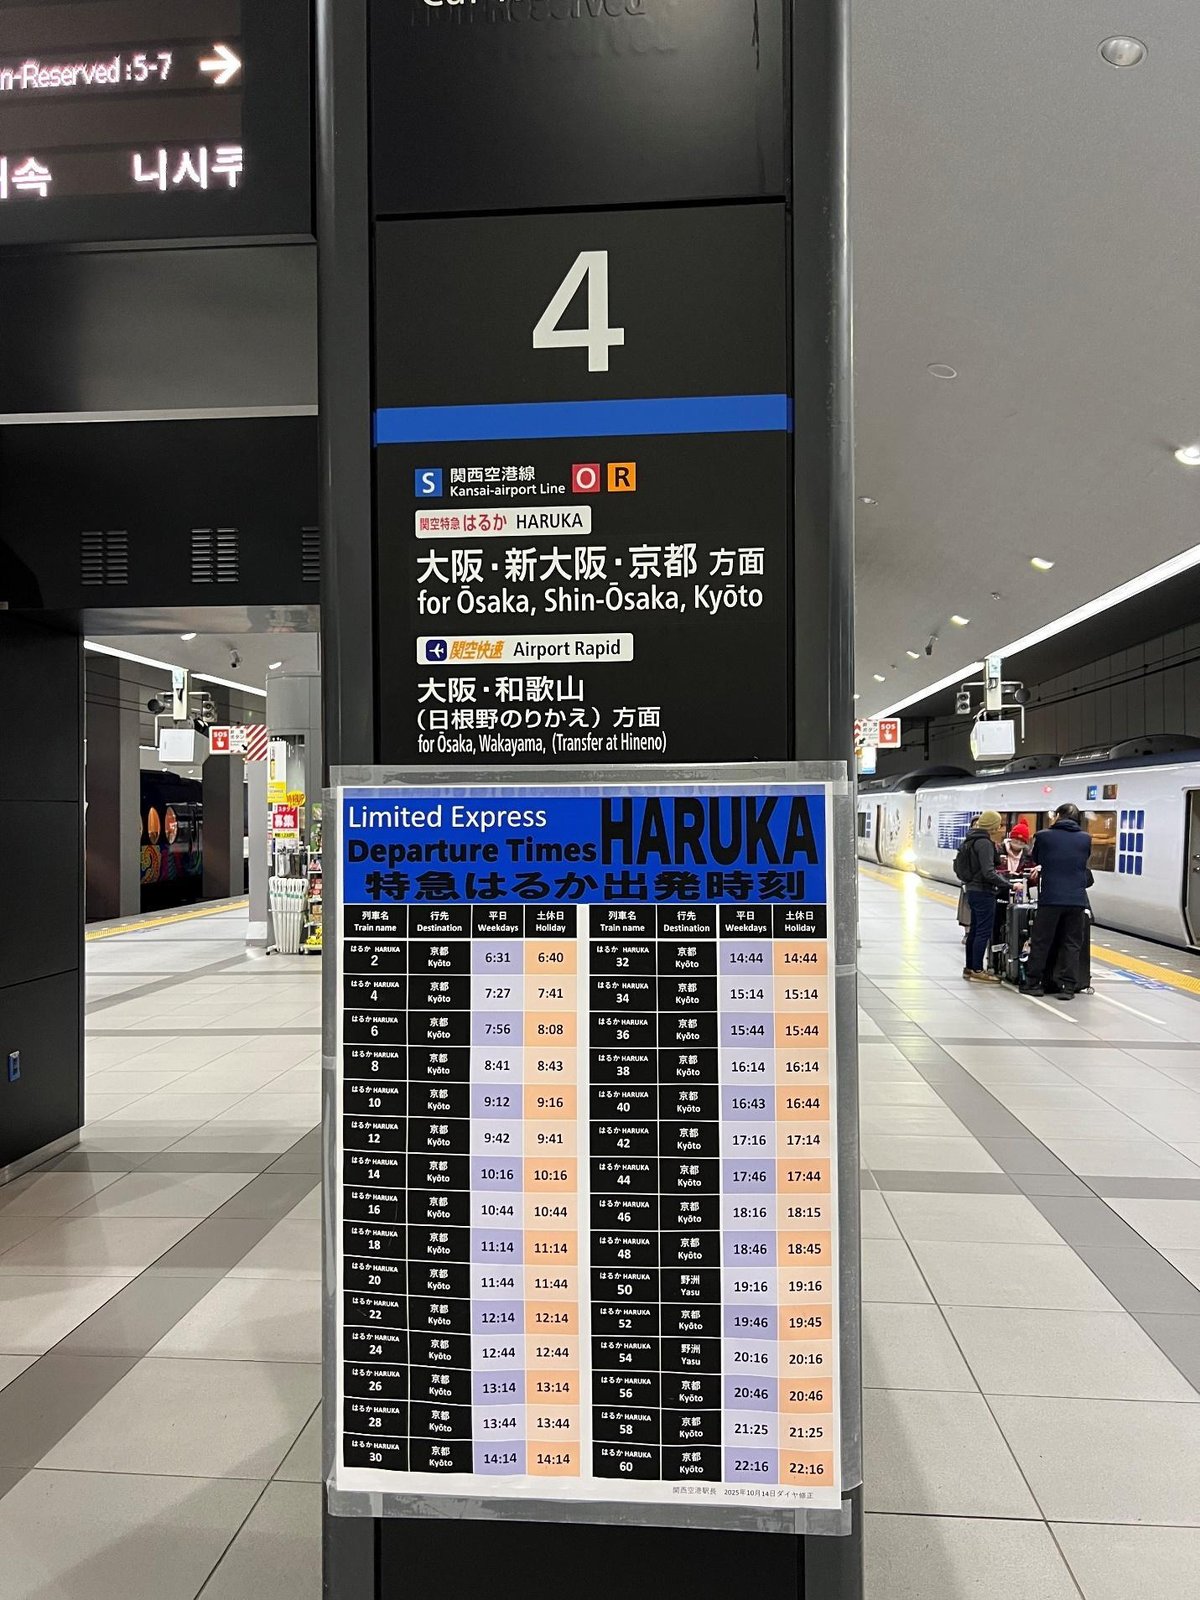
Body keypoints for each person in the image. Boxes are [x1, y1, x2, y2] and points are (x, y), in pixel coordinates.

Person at [1023, 802, 1093, 1000]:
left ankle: (1033, 983)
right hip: (1077, 900)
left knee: (1042, 941)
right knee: (1072, 943)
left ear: (1059, 816)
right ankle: (1068, 987)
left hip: (1051, 898)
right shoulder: (1085, 839)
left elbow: (1037, 858)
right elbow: (1083, 860)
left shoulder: (1043, 836)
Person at [956, 810, 1007, 982]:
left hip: (972, 889)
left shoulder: (971, 839)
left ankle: (970, 967)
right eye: (999, 824)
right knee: (983, 932)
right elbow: (988, 872)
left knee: (975, 930)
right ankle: (977, 969)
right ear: (993, 826)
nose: (1000, 827)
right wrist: (1008, 884)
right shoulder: (984, 843)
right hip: (983, 891)